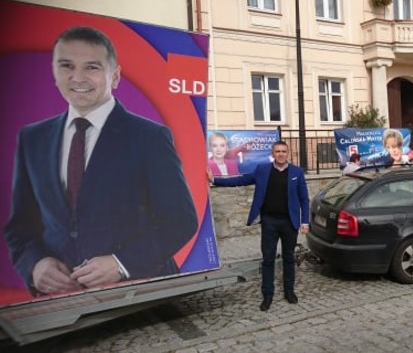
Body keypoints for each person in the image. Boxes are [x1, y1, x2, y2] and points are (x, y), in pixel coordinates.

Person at [4, 26, 198, 296]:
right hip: (60, 300)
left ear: (115, 76)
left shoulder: (150, 136)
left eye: (92, 67)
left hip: (141, 293)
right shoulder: (32, 138)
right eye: (66, 66)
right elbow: (20, 226)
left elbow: (180, 220)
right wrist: (35, 264)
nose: (77, 77)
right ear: (54, 73)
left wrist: (122, 263)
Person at [208, 141, 309, 312]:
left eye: (283, 151)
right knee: (268, 259)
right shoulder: (263, 170)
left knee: (289, 258)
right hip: (269, 222)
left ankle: (289, 291)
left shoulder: (296, 172)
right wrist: (214, 180)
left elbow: (304, 199)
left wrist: (305, 221)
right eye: (277, 151)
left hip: (289, 222)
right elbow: (241, 180)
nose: (281, 154)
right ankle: (267, 295)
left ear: (288, 153)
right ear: (273, 153)